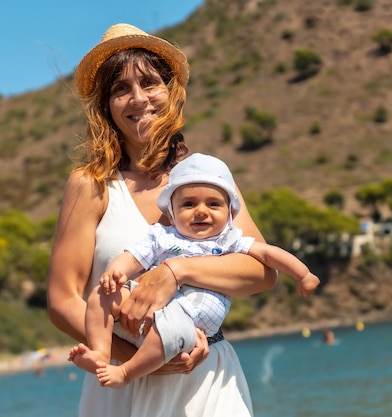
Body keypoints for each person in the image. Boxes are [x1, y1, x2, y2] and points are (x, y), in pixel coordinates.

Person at [47, 23, 277, 417]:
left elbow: (262, 271)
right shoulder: (90, 184)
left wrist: (175, 271)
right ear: (106, 106)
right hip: (120, 383)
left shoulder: (207, 177)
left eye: (150, 83)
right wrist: (135, 358)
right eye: (121, 88)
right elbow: (63, 299)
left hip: (207, 378)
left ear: (172, 93)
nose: (138, 98)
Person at [68, 153, 320, 388]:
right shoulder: (163, 235)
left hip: (191, 314)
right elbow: (133, 256)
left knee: (169, 331)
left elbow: (268, 254)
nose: (201, 211)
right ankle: (100, 352)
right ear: (172, 212)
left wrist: (303, 274)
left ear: (230, 212)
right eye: (189, 204)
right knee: (101, 295)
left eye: (213, 204)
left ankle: (126, 372)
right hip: (151, 305)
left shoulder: (229, 240)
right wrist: (116, 273)